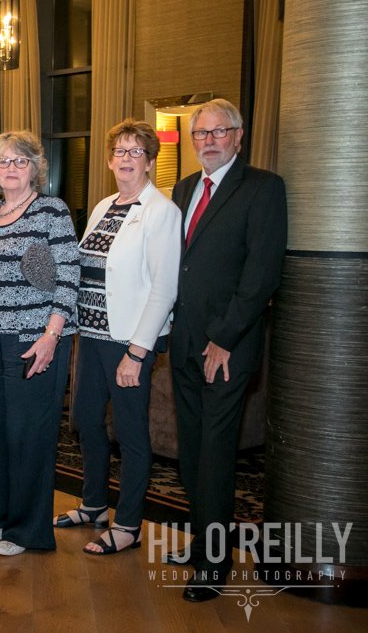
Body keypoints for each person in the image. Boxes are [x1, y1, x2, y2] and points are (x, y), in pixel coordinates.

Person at [169, 99, 287, 602]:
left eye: (220, 131)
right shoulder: (183, 188)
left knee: (215, 454)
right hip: (183, 341)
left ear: (239, 136)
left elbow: (261, 275)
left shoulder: (263, 188)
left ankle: (214, 564)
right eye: (201, 133)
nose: (209, 140)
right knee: (191, 451)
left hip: (227, 347)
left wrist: (224, 338)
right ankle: (202, 543)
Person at [52, 120, 180, 556]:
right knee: (87, 421)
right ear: (109, 161)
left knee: (130, 433)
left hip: (128, 341)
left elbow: (164, 288)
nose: (126, 159)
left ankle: (128, 525)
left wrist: (137, 353)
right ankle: (93, 505)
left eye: (135, 152)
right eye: (119, 152)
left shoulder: (162, 211)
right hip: (90, 336)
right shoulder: (104, 205)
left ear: (150, 161)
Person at [0, 131, 80, 557]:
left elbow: (68, 276)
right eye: (3, 161)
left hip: (36, 339)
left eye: (20, 161)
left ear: (35, 168)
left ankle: (28, 530)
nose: (11, 168)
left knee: (29, 434)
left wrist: (51, 335)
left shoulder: (52, 211)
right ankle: (2, 516)